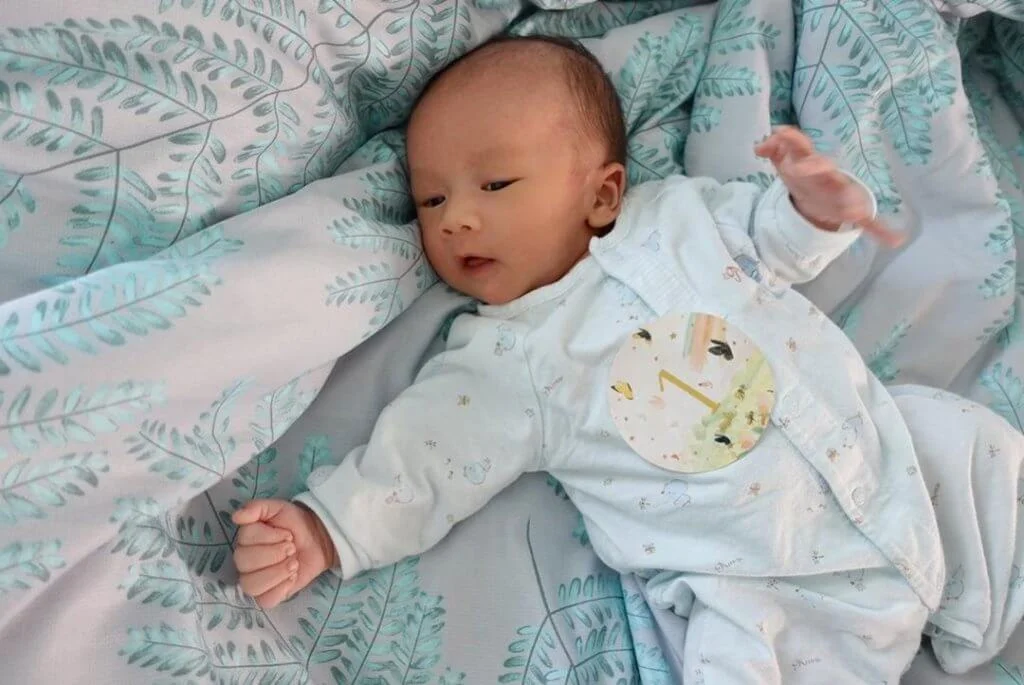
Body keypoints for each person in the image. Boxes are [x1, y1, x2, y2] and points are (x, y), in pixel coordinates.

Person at [230, 36, 1024, 682]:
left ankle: (986, 595)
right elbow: (423, 457)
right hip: (766, 585)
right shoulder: (505, 356)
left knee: (980, 448)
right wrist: (326, 528)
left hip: (891, 460)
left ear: (604, 193)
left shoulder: (681, 217)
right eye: (431, 199)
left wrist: (816, 205)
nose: (456, 218)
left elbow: (776, 245)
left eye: (495, 183)